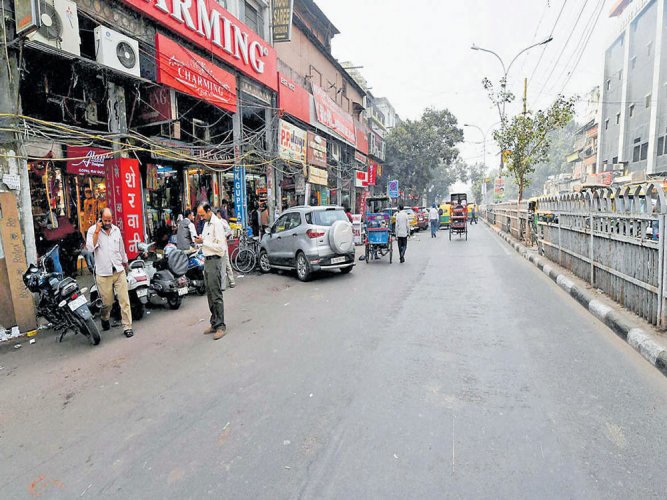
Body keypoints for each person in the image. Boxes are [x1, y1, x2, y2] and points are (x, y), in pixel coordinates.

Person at [86, 208, 133, 338]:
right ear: (100, 218)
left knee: (124, 300)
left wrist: (125, 262)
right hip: (103, 273)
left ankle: (127, 326)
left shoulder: (116, 230)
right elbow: (90, 248)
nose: (108, 222)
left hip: (118, 270)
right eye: (105, 220)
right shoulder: (92, 231)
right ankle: (105, 317)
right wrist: (97, 230)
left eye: (110, 220)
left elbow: (121, 248)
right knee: (107, 302)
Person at [195, 203, 228, 340]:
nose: (201, 218)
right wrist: (199, 243)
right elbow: (205, 242)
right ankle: (214, 322)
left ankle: (221, 326)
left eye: (203, 215)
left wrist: (204, 242)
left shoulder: (217, 224)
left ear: (209, 211)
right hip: (206, 260)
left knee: (216, 294)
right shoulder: (207, 224)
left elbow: (220, 248)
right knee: (209, 294)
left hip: (215, 260)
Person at [220, 215, 235, 288]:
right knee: (223, 264)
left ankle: (230, 282)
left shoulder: (222, 221)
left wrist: (223, 235)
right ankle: (228, 282)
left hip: (222, 246)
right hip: (218, 246)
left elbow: (229, 231)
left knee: (225, 264)